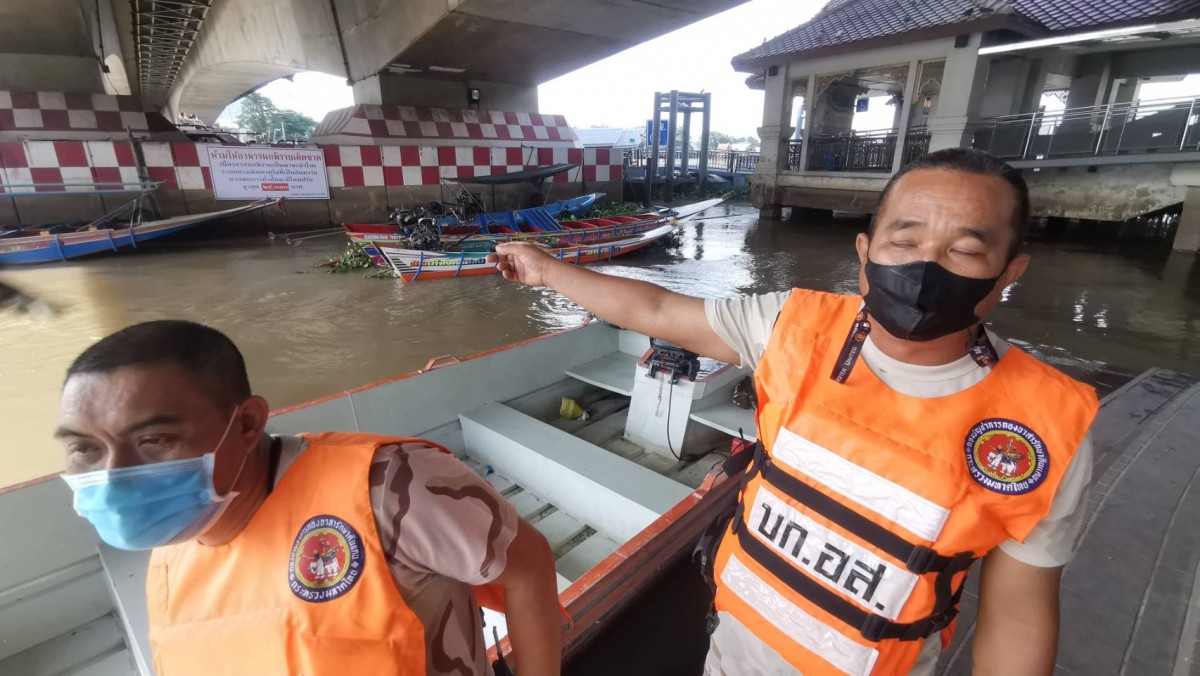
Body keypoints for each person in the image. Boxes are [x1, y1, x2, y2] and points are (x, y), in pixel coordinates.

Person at [488, 148, 1098, 675]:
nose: (924, 267)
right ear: (865, 253)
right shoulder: (792, 324)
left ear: (1009, 272)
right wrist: (546, 270)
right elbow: (654, 310)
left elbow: (1018, 615)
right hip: (730, 651)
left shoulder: (1043, 427)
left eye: (964, 250)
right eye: (904, 241)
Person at [54, 320, 563, 675]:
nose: (115, 476)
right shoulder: (172, 544)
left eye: (154, 441)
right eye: (84, 449)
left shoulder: (388, 485)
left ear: (248, 423)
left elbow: (527, 565)